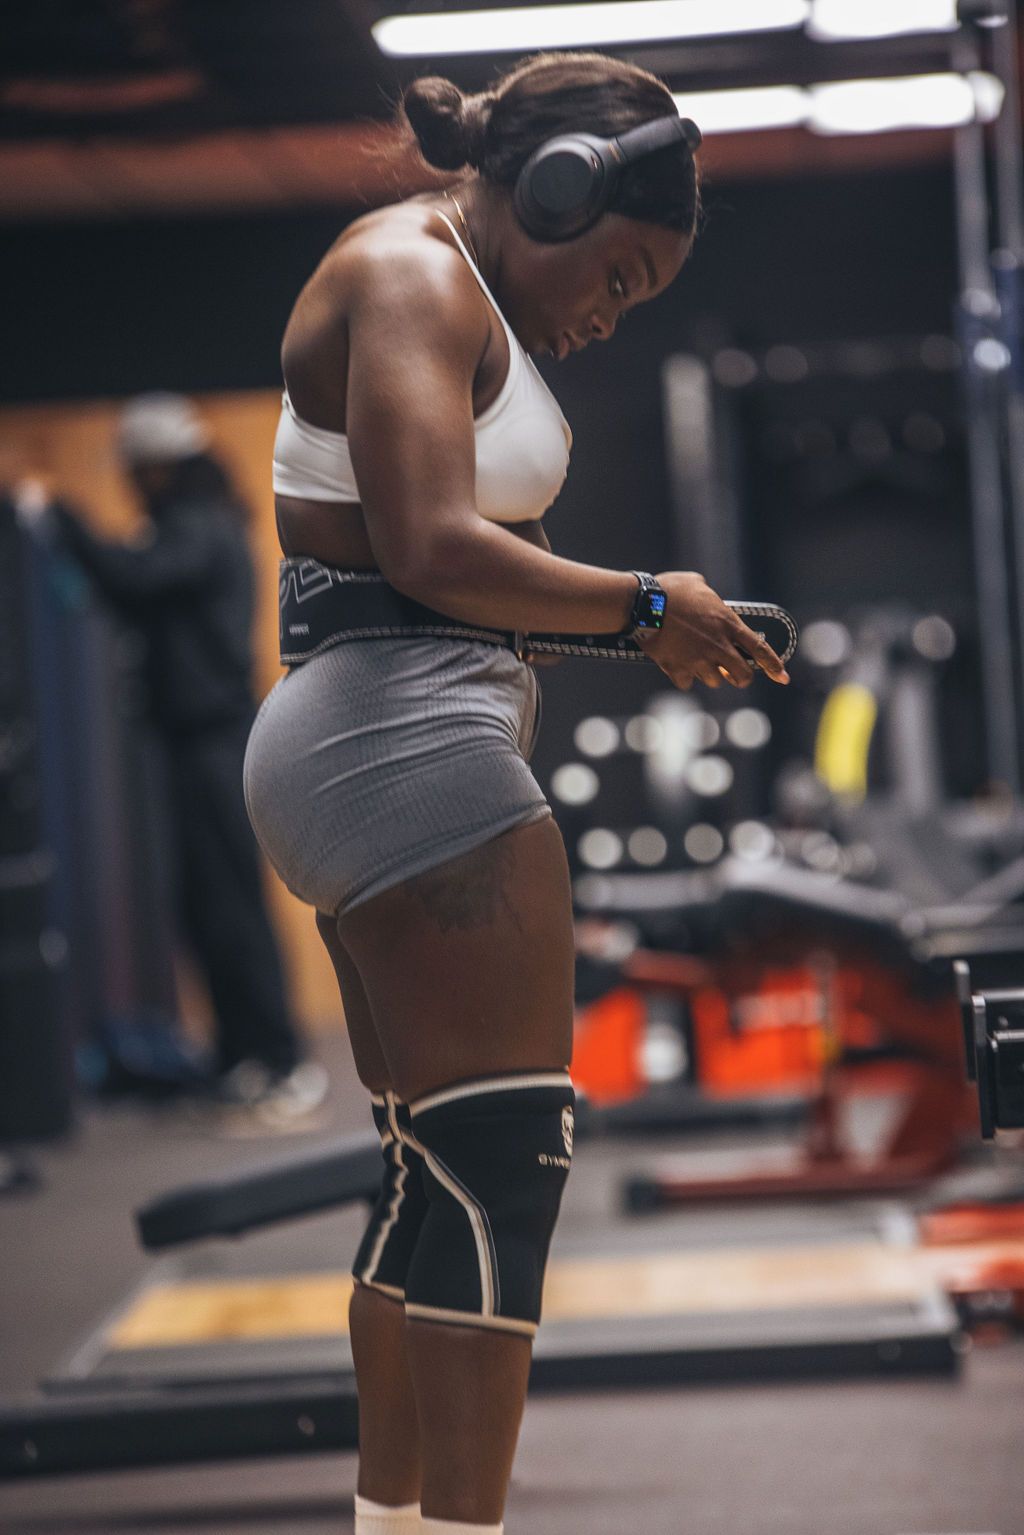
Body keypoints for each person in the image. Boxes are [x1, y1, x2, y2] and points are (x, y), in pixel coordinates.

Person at [243, 49, 789, 1535]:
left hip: (377, 729)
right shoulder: (412, 273)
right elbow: (428, 544)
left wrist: (651, 625)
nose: (609, 313)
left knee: (436, 1170)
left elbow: (437, 575)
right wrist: (643, 603)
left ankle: (396, 1524)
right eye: (615, 274)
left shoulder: (439, 285)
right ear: (554, 190)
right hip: (398, 737)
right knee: (502, 1165)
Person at [50, 394, 326, 1121]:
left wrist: (60, 518)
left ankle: (278, 1061)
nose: (131, 486)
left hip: (216, 741)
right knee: (207, 906)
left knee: (230, 904)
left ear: (159, 467)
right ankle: (241, 1055)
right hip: (195, 742)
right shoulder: (193, 526)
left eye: (136, 472)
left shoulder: (198, 528)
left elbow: (132, 577)